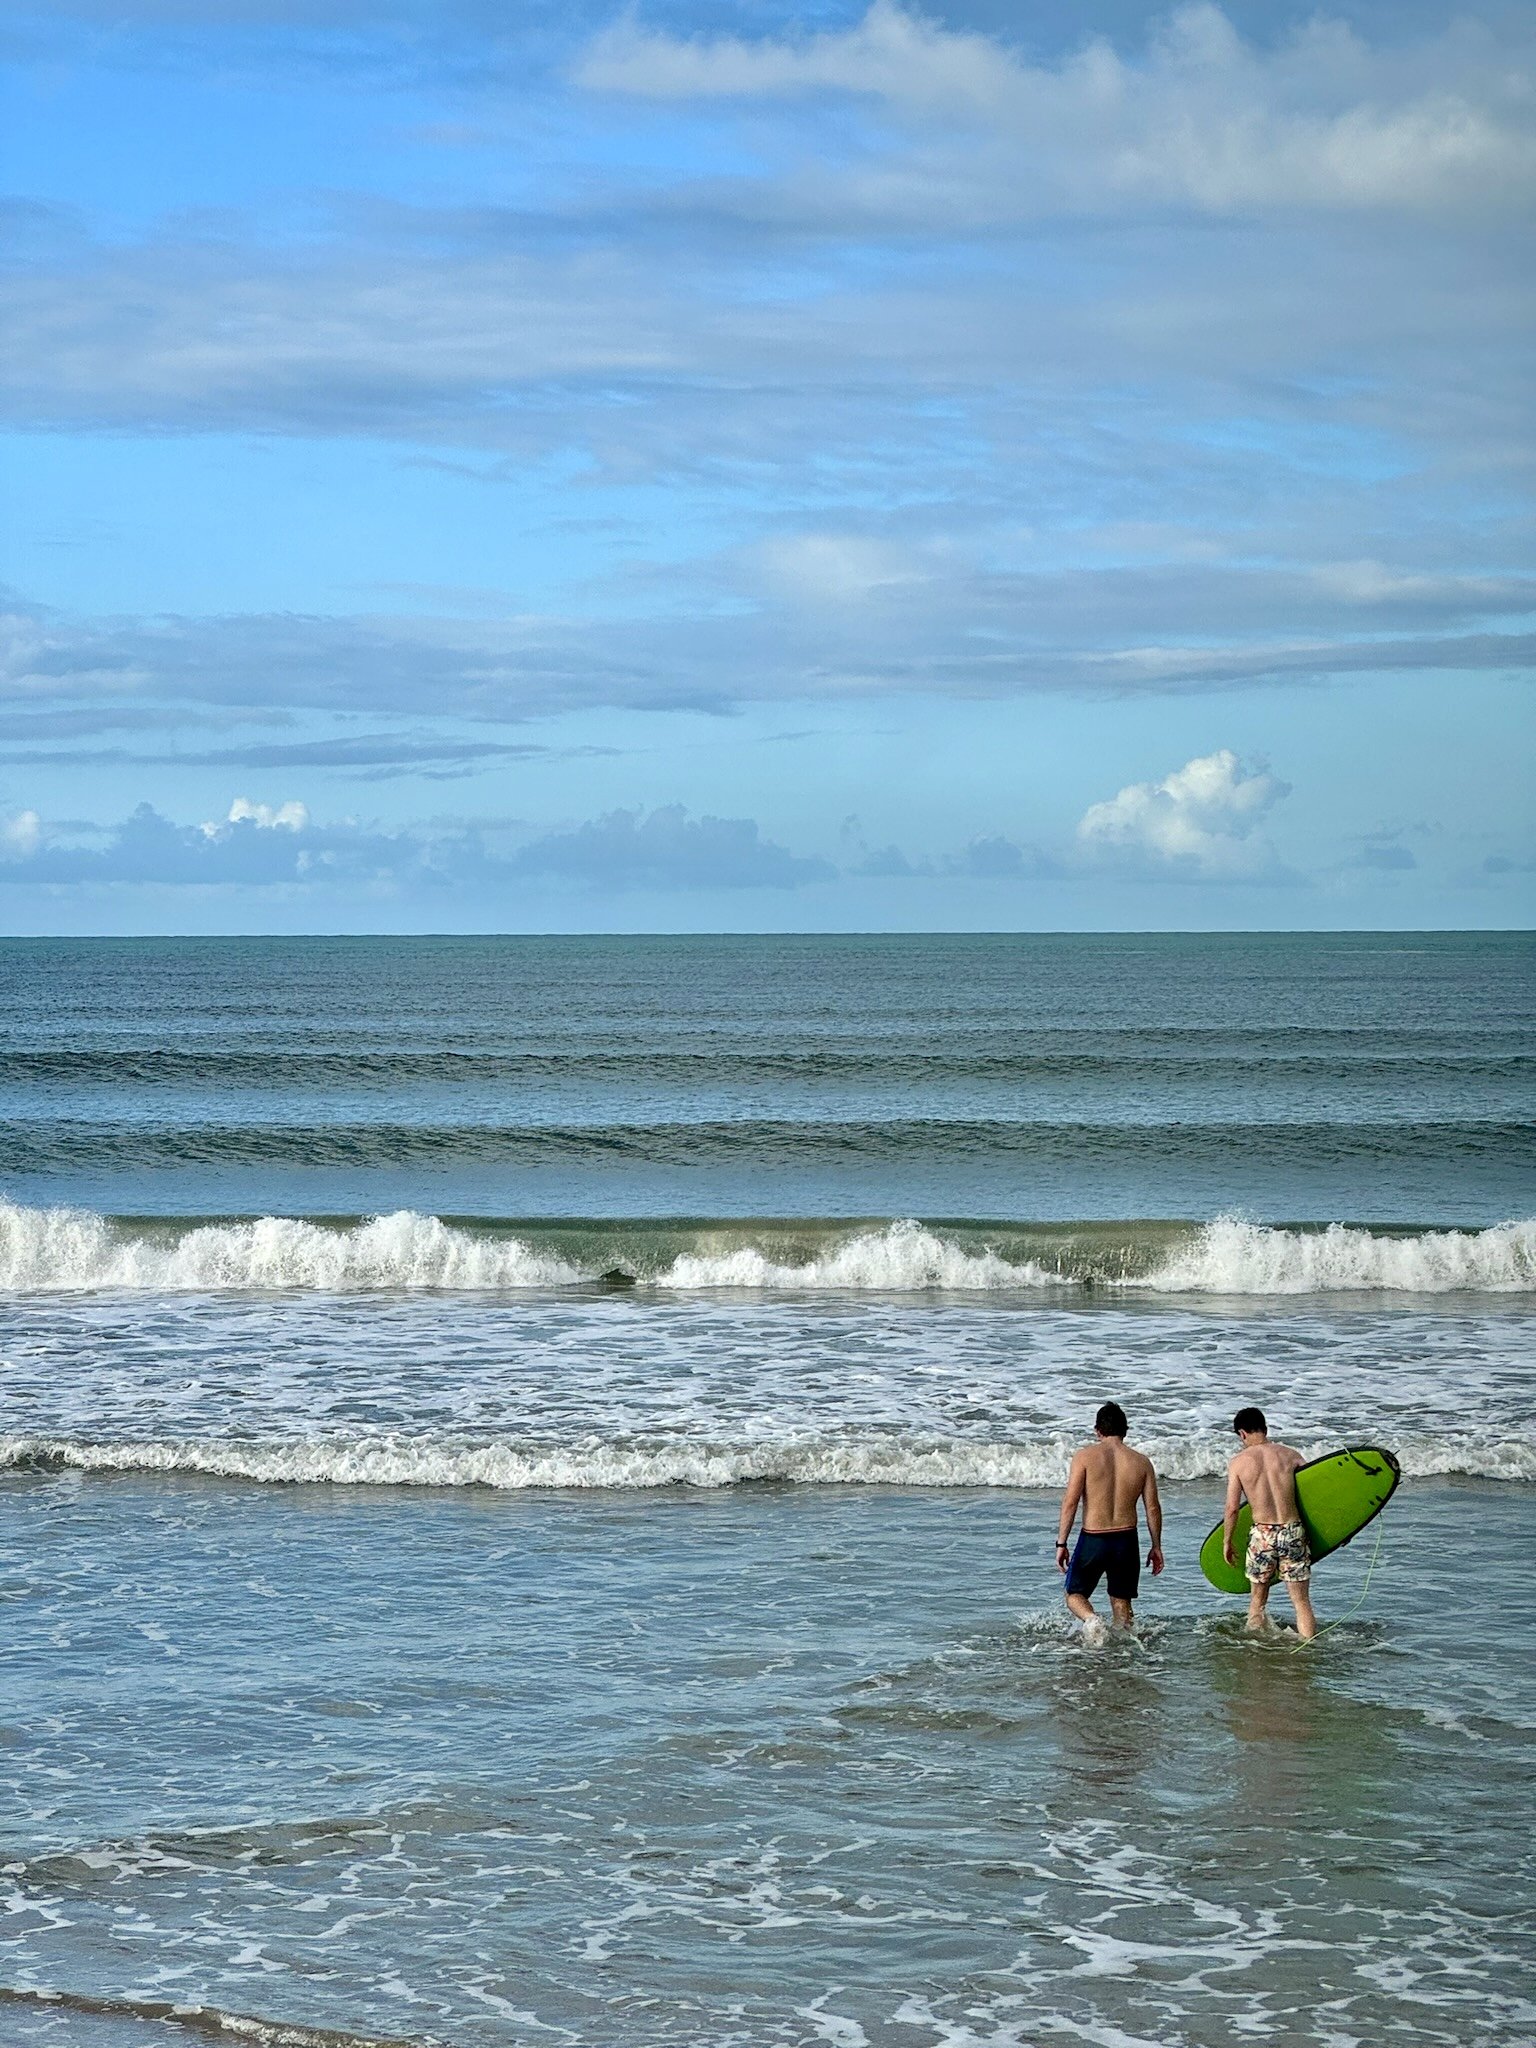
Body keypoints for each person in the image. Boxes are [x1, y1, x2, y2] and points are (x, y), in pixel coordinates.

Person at [1055, 1401, 1164, 1638]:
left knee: (1074, 1594)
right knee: (1122, 1605)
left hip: (1094, 1538)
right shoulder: (1141, 1462)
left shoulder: (1084, 1457)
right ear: (1125, 1430)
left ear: (1097, 1430)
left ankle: (1092, 1620)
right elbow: (1153, 1508)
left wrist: (1061, 1543)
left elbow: (1070, 1502)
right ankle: (1122, 1659)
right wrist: (1156, 1546)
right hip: (1126, 1540)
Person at [1223, 1406, 1318, 1640]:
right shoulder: (1290, 1455)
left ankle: (1255, 1650)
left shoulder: (1239, 1462)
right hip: (1292, 1530)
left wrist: (1227, 1540)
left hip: (1262, 1534)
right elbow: (1313, 1498)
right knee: (1301, 1601)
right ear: (1265, 1428)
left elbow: (1232, 1508)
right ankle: (1308, 1647)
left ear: (1242, 1433)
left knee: (1258, 1599)